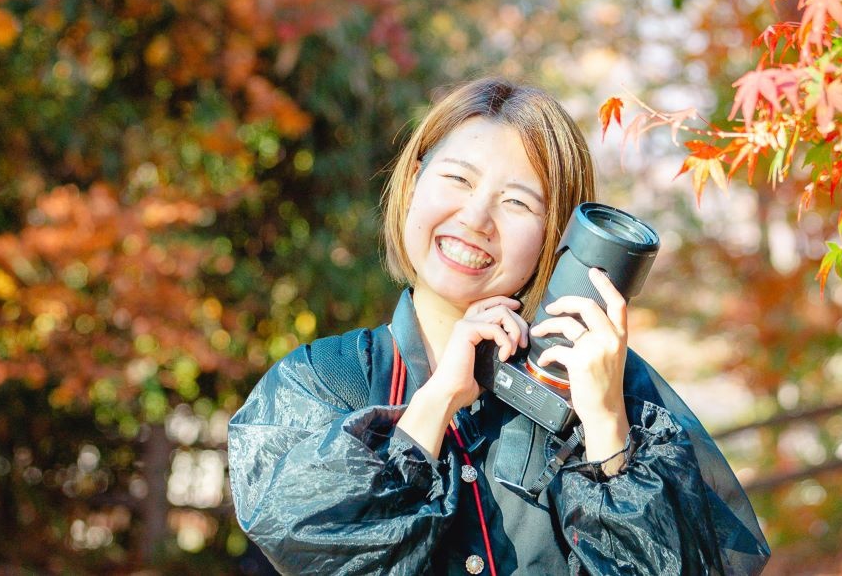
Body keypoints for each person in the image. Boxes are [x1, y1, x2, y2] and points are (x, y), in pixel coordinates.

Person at [228, 78, 770, 575]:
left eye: (516, 202)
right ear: (414, 181)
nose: (475, 218)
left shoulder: (612, 394)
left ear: (557, 238)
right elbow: (310, 543)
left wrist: (606, 428)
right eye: (458, 179)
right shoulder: (324, 380)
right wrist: (438, 400)